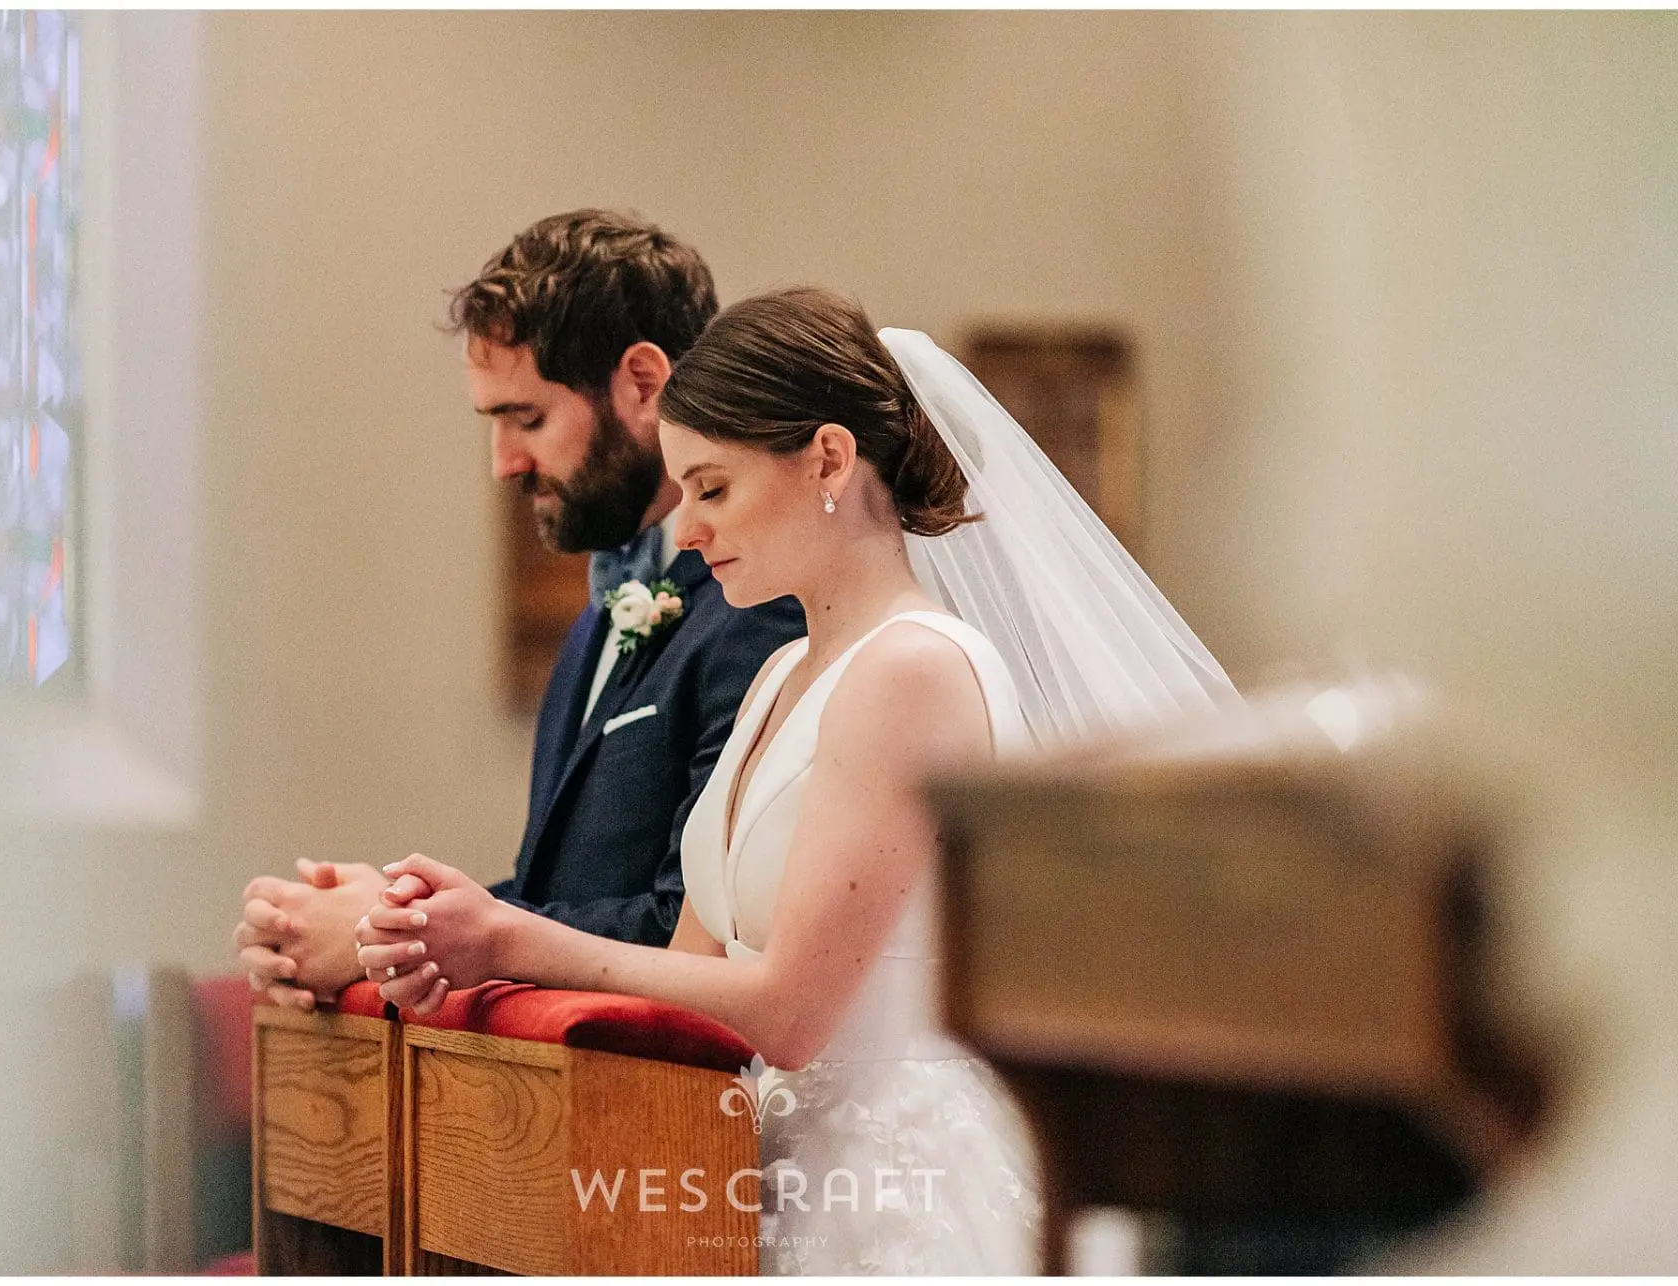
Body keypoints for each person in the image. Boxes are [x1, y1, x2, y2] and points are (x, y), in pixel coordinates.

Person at [355, 287, 1237, 1272]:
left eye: (713, 488)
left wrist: (510, 933)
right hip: (751, 1166)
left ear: (827, 458)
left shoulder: (915, 669)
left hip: (892, 1199)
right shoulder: (782, 672)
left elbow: (788, 1010)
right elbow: (694, 967)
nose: (685, 529)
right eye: (683, 490)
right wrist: (461, 949)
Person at [232, 211, 805, 1009]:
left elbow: (690, 933)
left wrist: (393, 935)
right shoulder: (601, 614)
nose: (504, 465)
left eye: (526, 418)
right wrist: (392, 910)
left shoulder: (760, 607)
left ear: (643, 383)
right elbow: (560, 893)